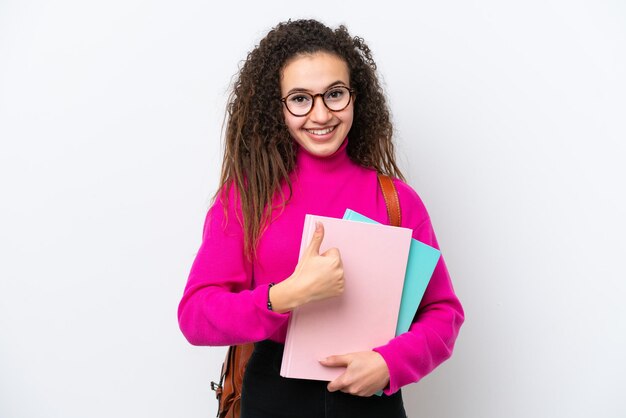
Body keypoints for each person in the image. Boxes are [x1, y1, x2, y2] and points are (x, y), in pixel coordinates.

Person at [178, 19, 464, 418]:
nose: (320, 114)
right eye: (299, 98)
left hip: (372, 400)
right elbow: (196, 315)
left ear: (354, 96)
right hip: (274, 397)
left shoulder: (397, 200)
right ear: (275, 107)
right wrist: (287, 294)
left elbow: (444, 313)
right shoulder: (247, 198)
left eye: (334, 94)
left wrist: (389, 364)